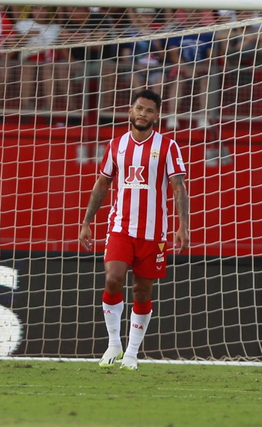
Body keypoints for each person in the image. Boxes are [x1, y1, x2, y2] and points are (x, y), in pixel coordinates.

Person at [76, 89, 189, 371]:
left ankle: (132, 352)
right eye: (140, 108)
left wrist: (182, 227)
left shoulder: (168, 147)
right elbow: (103, 184)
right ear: (130, 110)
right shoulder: (116, 145)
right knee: (113, 278)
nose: (143, 114)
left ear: (156, 116)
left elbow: (178, 188)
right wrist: (87, 221)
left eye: (149, 110)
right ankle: (114, 342)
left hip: (154, 233)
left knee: (142, 290)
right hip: (120, 228)